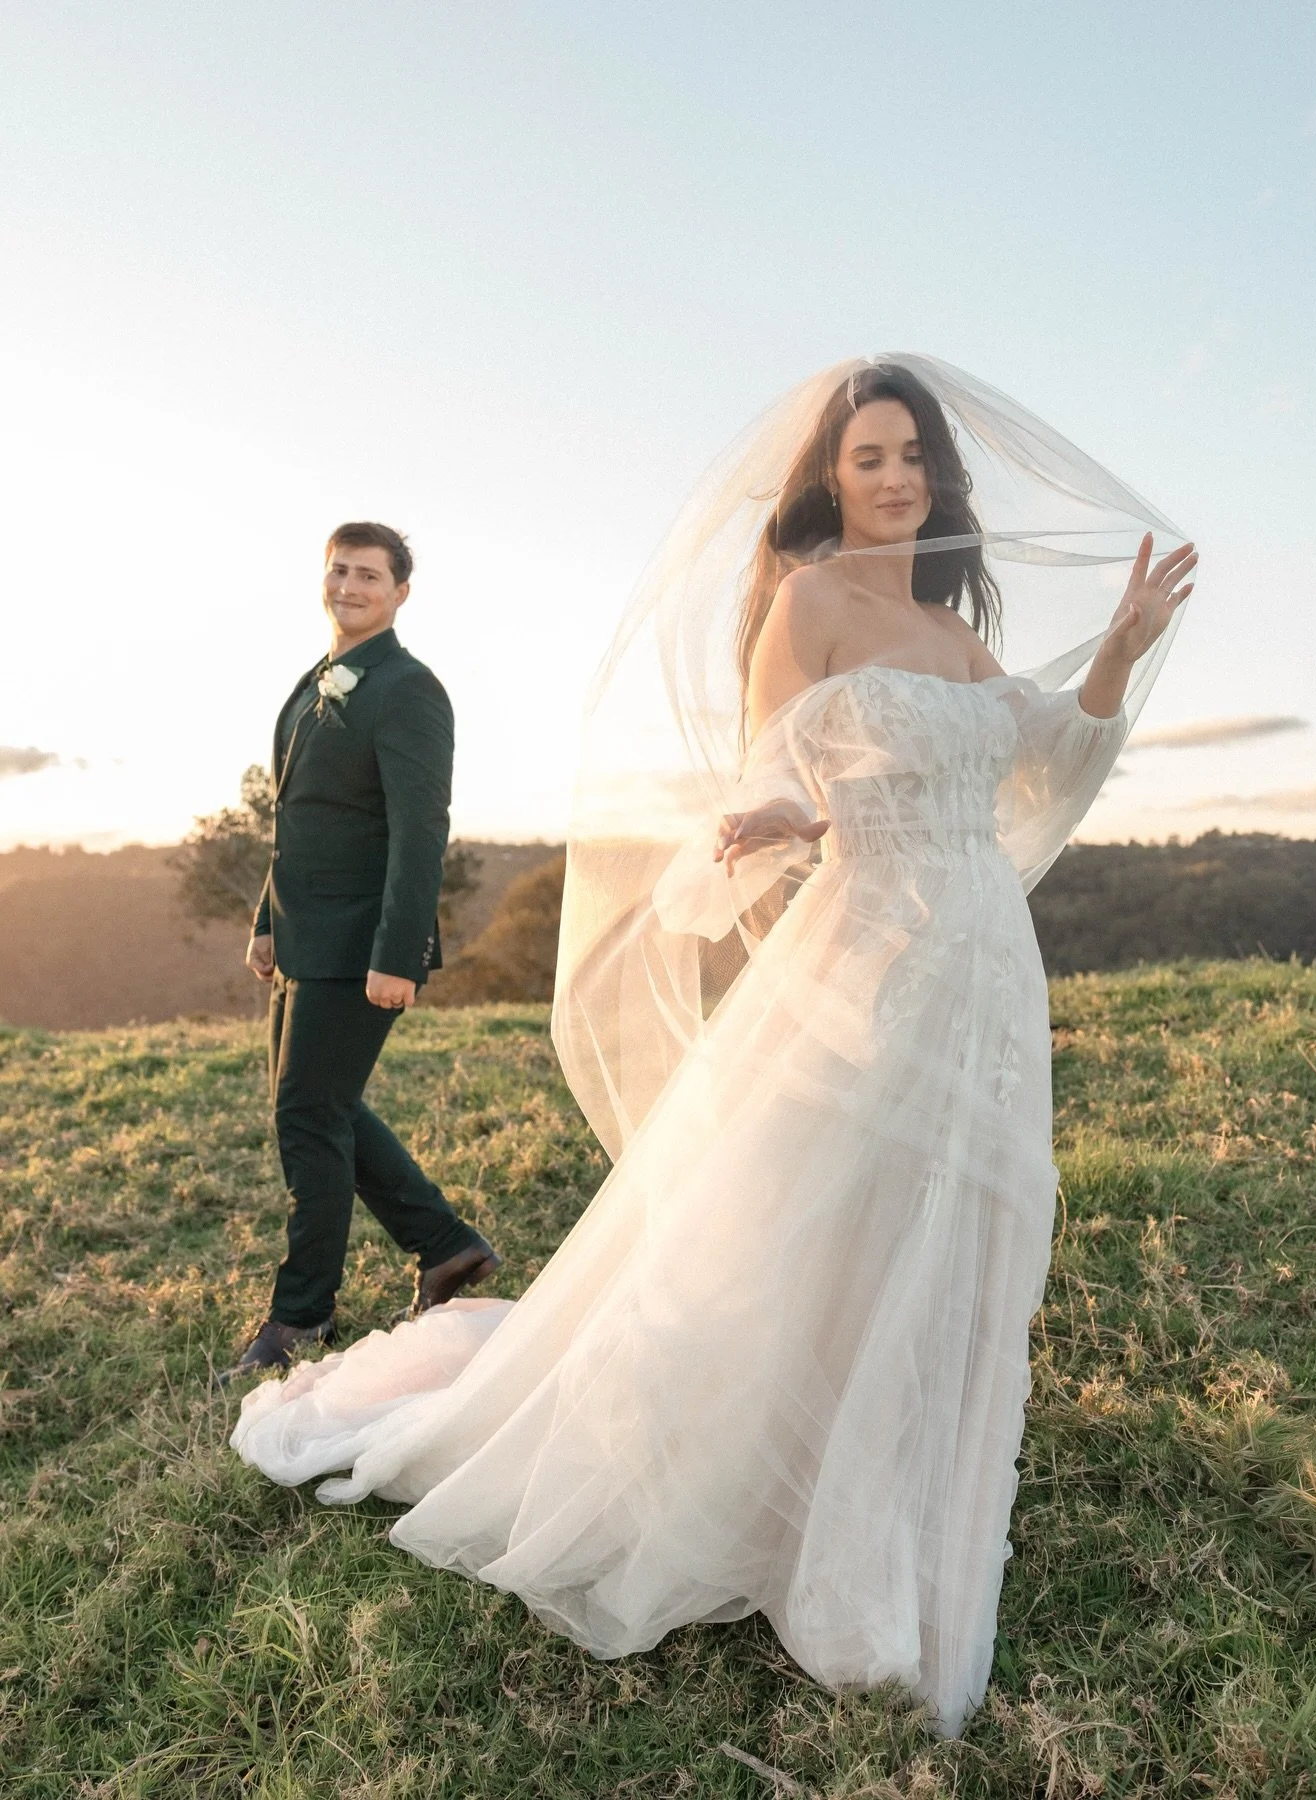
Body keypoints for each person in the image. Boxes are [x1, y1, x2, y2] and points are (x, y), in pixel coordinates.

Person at [231, 362, 1194, 1733]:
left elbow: (1044, 760)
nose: (898, 475)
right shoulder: (805, 604)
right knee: (810, 1218)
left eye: (914, 454)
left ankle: (911, 1468)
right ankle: (783, 1488)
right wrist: (788, 821)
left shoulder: (949, 630)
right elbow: (772, 771)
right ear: (831, 477)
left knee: (951, 1219)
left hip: (986, 965)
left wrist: (1119, 646)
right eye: (870, 455)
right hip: (868, 951)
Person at [221, 522, 500, 1384]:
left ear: (399, 592)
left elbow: (422, 830)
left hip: (363, 942)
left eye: (368, 574)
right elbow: (294, 822)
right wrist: (268, 919)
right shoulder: (313, 686)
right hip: (303, 932)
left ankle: (300, 1316)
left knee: (308, 1114)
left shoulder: (409, 689)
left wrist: (401, 951)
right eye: (339, 570)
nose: (349, 584)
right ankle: (446, 1249)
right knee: (322, 1105)